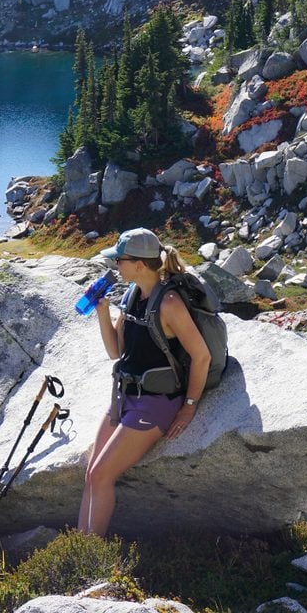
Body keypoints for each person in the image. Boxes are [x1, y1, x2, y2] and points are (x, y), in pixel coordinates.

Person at [77, 228, 211, 537]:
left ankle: (88, 555)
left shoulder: (170, 303)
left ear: (139, 264)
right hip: (124, 397)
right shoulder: (132, 295)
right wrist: (103, 313)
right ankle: (80, 546)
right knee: (91, 474)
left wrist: (189, 407)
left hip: (155, 403)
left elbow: (201, 356)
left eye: (119, 261)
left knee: (101, 475)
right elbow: (116, 352)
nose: (115, 267)